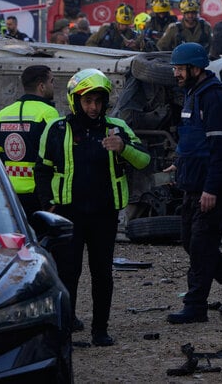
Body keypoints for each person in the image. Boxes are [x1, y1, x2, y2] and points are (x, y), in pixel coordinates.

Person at [36, 68, 150, 346]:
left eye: (98, 101)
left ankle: (100, 329)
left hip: (104, 214)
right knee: (68, 273)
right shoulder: (57, 129)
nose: (93, 107)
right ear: (75, 100)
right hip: (68, 216)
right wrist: (46, 205)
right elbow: (42, 170)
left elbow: (145, 160)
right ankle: (67, 326)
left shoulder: (116, 128)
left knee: (102, 273)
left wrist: (123, 148)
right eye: (87, 101)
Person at [165, 43, 222, 324]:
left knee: (202, 246)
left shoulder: (214, 97)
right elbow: (194, 141)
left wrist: (212, 189)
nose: (176, 74)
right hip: (192, 184)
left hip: (207, 189)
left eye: (180, 69)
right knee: (191, 243)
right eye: (175, 68)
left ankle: (195, 307)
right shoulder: (192, 94)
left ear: (195, 69)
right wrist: (179, 164)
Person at [0, 65, 60, 215]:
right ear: (41, 86)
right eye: (52, 81)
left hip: (10, 193)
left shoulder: (2, 115)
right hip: (39, 193)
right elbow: (58, 155)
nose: (53, 86)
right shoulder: (48, 114)